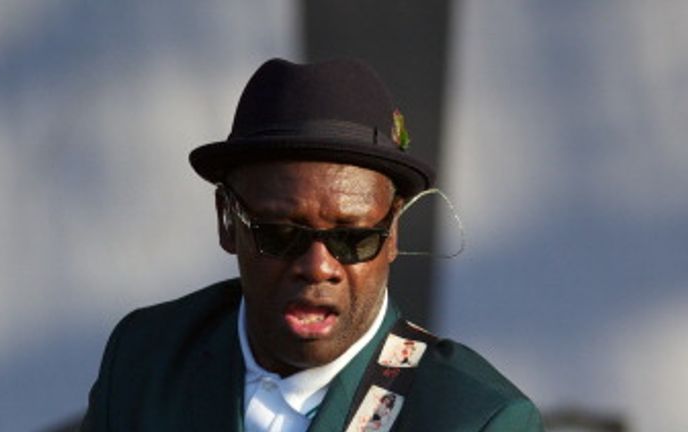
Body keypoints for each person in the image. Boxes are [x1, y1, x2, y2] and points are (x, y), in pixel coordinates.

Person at [80, 58, 544, 431]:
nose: (318, 265)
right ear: (227, 221)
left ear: (393, 234)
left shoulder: (476, 418)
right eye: (281, 233)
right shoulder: (145, 358)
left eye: (353, 237)